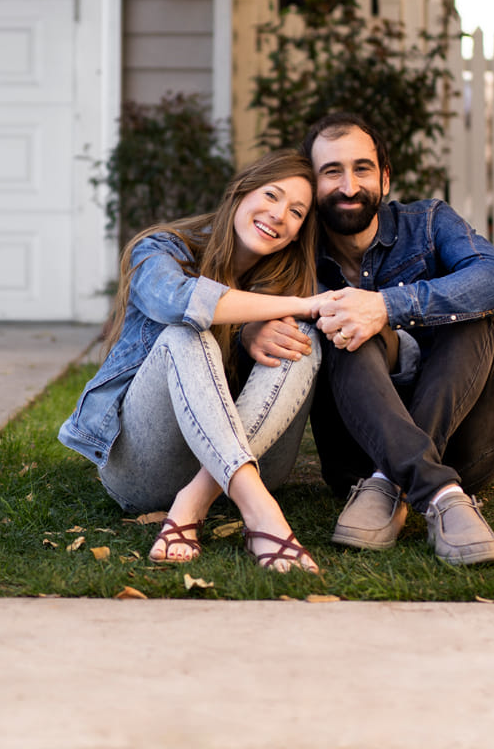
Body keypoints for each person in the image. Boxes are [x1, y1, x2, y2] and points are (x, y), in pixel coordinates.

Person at [240, 113, 494, 566]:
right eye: (331, 172)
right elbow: (234, 287)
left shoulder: (430, 223)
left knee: (477, 310)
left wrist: (387, 306)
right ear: (312, 185)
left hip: (464, 452)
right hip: (354, 461)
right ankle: (440, 493)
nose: (349, 186)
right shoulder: (293, 251)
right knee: (338, 320)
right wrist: (249, 328)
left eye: (362, 169)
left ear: (385, 178)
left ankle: (389, 480)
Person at [59, 149, 329, 573]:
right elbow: (178, 302)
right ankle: (262, 515)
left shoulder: (290, 277)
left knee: (301, 337)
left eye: (296, 212)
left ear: (298, 233)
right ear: (239, 193)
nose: (279, 215)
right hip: (145, 469)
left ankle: (195, 499)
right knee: (184, 332)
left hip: (253, 459)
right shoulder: (160, 249)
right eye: (271, 195)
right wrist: (295, 306)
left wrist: (258, 329)